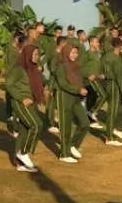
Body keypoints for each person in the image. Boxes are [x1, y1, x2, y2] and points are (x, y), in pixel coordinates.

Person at [7, 38, 45, 171]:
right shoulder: (18, 69)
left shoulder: (34, 69)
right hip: (20, 102)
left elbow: (40, 82)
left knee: (24, 130)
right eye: (34, 54)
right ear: (28, 55)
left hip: (31, 102)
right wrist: (21, 98)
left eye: (37, 54)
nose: (37, 57)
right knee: (36, 125)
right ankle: (23, 152)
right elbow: (8, 85)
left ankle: (19, 163)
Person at [53, 43, 90, 162]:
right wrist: (78, 89)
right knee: (66, 127)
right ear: (66, 52)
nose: (75, 55)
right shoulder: (61, 66)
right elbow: (63, 84)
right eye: (73, 52)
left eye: (76, 53)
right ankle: (64, 154)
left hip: (75, 98)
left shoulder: (75, 66)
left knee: (85, 123)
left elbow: (78, 80)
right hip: (64, 97)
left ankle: (72, 145)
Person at [101, 38, 122, 147]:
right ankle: (109, 137)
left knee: (118, 109)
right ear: (120, 45)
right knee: (112, 111)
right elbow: (119, 76)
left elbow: (101, 70)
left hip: (106, 84)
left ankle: (113, 131)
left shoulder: (106, 56)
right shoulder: (116, 58)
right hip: (114, 85)